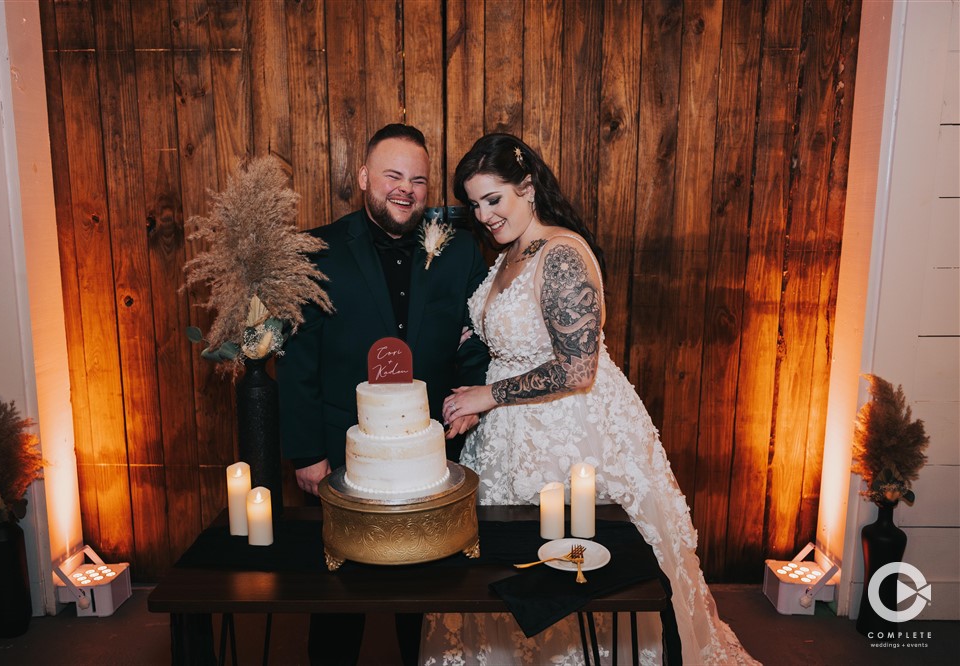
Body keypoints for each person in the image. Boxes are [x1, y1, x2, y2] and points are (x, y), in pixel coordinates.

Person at [420, 133, 760, 665]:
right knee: (511, 580)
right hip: (508, 437)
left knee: (574, 574)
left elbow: (578, 369)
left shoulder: (559, 254)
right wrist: (473, 394)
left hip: (570, 435)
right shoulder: (512, 252)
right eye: (474, 205)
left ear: (527, 187)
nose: (484, 215)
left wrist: (488, 395)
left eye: (494, 199)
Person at [277, 123, 490, 666]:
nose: (406, 189)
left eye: (418, 180)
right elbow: (299, 361)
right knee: (337, 601)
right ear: (364, 176)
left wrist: (466, 404)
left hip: (428, 453)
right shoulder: (318, 250)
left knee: (425, 597)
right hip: (341, 455)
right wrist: (306, 453)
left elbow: (474, 341)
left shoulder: (461, 251)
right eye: (393, 175)